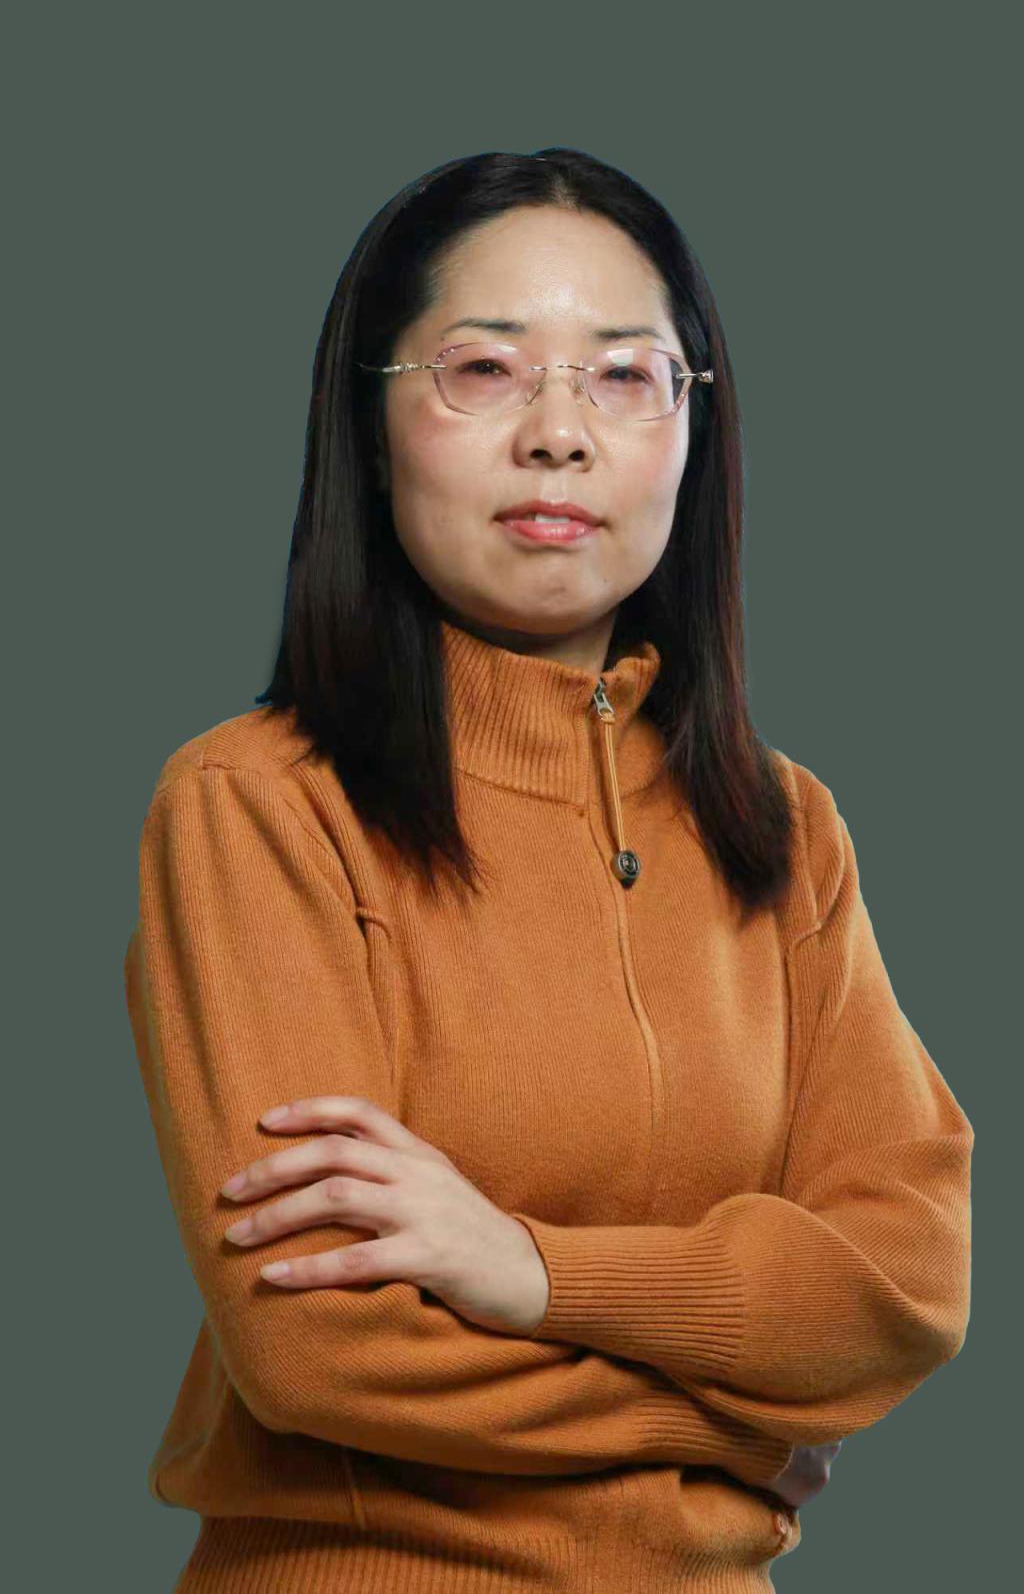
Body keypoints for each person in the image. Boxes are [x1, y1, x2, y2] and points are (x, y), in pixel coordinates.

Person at [123, 148, 974, 1592]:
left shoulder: (786, 827)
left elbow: (905, 1286)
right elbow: (320, 1347)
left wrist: (529, 1269)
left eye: (628, 375)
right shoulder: (258, 804)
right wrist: (737, 1429)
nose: (560, 435)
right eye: (484, 369)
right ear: (370, 424)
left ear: (694, 431)